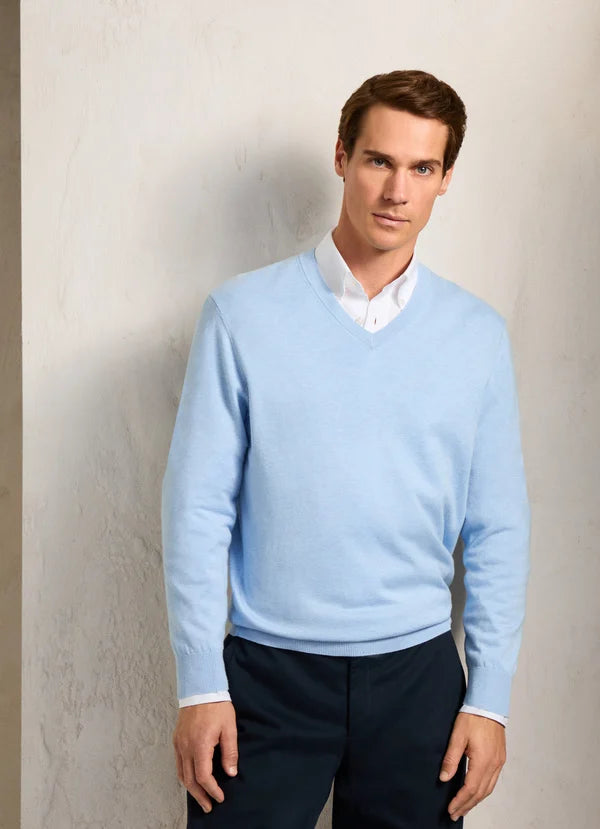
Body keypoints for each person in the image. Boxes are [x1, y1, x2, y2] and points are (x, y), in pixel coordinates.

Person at [161, 69, 531, 828]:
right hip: (266, 678)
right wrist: (200, 683)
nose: (397, 190)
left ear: (445, 179)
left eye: (422, 168)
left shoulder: (478, 336)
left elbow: (497, 527)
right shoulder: (240, 316)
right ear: (341, 157)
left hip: (419, 682)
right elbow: (197, 509)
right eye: (378, 160)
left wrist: (489, 697)